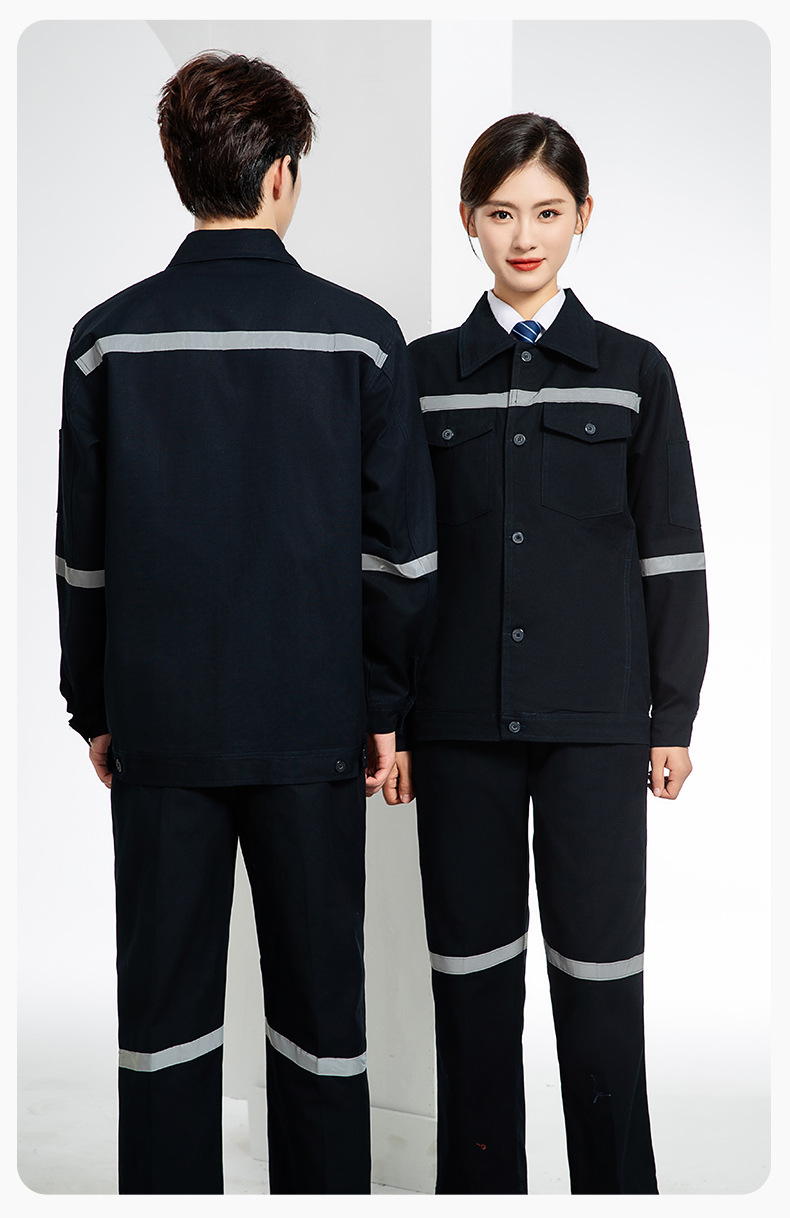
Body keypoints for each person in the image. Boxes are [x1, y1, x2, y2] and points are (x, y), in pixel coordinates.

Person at [56, 50, 437, 1196]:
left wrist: (96, 707)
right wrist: (385, 707)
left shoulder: (108, 339)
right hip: (313, 730)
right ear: (283, 174)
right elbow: (401, 558)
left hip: (161, 731)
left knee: (163, 1024)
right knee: (322, 1023)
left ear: (178, 167)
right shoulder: (360, 338)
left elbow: (83, 559)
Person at [384, 113, 708, 1194]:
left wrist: (672, 716)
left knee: (601, 985)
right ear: (467, 220)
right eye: (501, 213)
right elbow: (394, 558)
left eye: (548, 212)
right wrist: (392, 713)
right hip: (457, 726)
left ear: (583, 218)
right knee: (471, 986)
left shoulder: (633, 371)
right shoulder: (422, 374)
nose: (524, 237)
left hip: (598, 729)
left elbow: (672, 554)